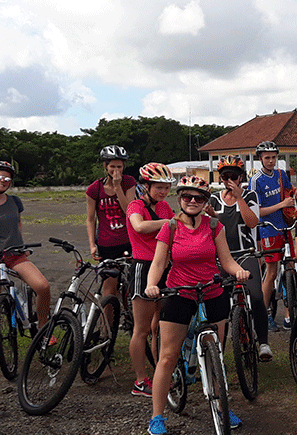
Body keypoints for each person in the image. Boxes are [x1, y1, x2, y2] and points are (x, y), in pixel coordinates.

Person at [145, 176, 250, 434]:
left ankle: (222, 406)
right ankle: (157, 417)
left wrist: (239, 271)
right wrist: (152, 284)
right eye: (187, 197)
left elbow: (226, 260)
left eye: (199, 198)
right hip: (180, 291)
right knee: (168, 356)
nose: (192, 201)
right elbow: (158, 263)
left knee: (217, 355)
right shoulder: (169, 227)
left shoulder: (214, 226)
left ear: (205, 201)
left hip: (212, 290)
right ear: (180, 199)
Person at [0, 161, 51, 366]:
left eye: (7, 178)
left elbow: (18, 223)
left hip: (15, 255)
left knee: (42, 286)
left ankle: (43, 328)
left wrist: (21, 244)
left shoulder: (15, 201)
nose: (3, 181)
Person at [208, 155, 273, 361]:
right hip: (221, 258)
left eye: (234, 176)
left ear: (241, 177)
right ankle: (219, 349)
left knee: (256, 297)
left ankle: (263, 342)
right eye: (225, 176)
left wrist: (239, 198)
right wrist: (211, 216)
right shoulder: (213, 199)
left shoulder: (250, 196)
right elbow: (213, 227)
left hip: (246, 254)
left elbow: (252, 222)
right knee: (218, 304)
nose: (229, 180)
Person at [126, 162, 177, 397]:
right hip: (143, 267)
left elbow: (178, 227)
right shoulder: (135, 206)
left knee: (160, 326)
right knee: (142, 329)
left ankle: (160, 374)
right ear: (145, 186)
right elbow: (140, 226)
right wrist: (169, 223)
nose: (163, 192)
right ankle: (140, 380)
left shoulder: (165, 207)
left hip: (166, 267)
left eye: (166, 188)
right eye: (158, 187)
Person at [248, 140, 297, 331]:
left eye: (274, 157)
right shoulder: (255, 180)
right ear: (260, 159)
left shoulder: (281, 174)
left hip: (285, 227)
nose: (271, 161)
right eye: (267, 158)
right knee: (271, 273)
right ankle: (263, 316)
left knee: (290, 268)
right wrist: (281, 205)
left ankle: (289, 316)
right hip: (268, 229)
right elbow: (255, 212)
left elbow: (289, 191)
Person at [86, 145, 137, 302]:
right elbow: (90, 219)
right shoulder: (95, 188)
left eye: (119, 167)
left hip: (129, 241)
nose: (116, 170)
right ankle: (107, 325)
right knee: (109, 288)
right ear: (105, 166)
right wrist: (92, 245)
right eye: (112, 166)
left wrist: (117, 187)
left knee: (135, 284)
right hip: (107, 244)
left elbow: (129, 210)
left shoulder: (128, 182)